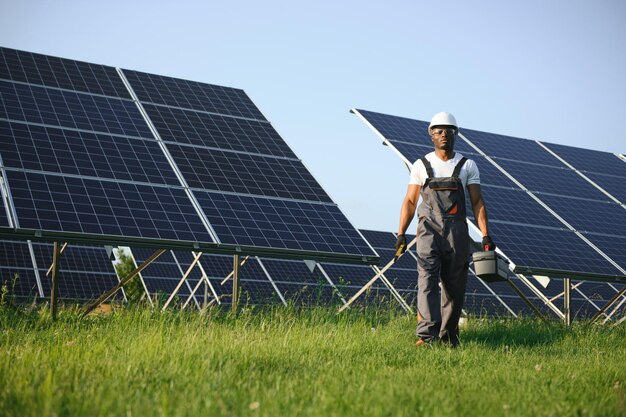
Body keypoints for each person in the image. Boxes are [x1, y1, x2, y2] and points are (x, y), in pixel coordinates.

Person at [395, 112, 495, 347]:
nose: (443, 135)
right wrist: (401, 233)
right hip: (427, 231)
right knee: (426, 280)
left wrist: (485, 235)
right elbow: (410, 201)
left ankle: (449, 337)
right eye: (438, 131)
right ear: (431, 135)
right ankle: (426, 336)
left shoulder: (467, 165)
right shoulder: (421, 165)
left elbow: (477, 201)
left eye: (448, 131)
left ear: (455, 135)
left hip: (457, 232)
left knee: (454, 285)